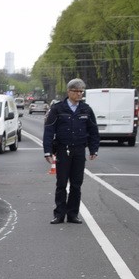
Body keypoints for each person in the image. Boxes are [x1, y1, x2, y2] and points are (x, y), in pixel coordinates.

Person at [43, 78, 99, 224]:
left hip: (79, 150)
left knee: (76, 184)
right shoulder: (58, 109)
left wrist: (94, 149)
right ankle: (59, 214)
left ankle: (73, 214)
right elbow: (49, 130)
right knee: (61, 183)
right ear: (69, 92)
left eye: (82, 91)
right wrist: (47, 151)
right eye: (77, 91)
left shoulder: (86, 109)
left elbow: (93, 131)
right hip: (63, 150)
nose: (80, 94)